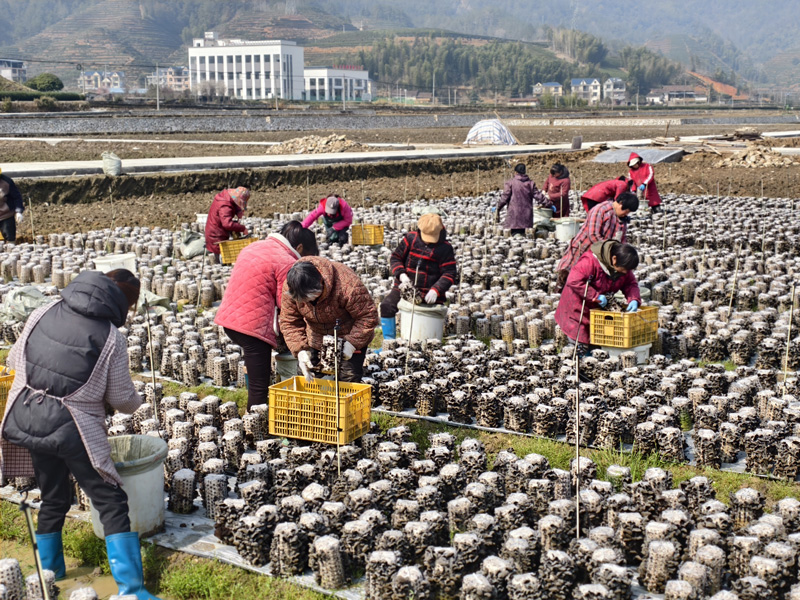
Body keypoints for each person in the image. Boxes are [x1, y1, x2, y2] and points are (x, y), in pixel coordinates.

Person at [0, 269, 163, 600]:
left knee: (54, 494)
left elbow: (14, 358)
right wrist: (139, 401)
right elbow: (120, 398)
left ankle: (50, 571)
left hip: (29, 415)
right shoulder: (110, 337)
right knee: (110, 500)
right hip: (72, 425)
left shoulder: (43, 310)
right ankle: (132, 589)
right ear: (122, 303)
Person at [215, 221, 318, 408]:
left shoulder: (256, 246)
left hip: (230, 320)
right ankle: (256, 432)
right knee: (259, 387)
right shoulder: (287, 262)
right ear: (300, 248)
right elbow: (287, 306)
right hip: (252, 328)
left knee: (255, 365)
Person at [280, 257, 379, 383]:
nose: (308, 303)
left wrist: (352, 344)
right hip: (316, 337)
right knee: (307, 377)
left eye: (310, 298)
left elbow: (368, 315)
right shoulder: (291, 287)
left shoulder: (347, 284)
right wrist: (300, 350)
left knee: (348, 380)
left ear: (320, 282)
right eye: (302, 301)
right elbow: (289, 321)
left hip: (348, 334)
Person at [379, 213, 457, 340]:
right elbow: (395, 257)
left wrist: (436, 290)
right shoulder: (410, 238)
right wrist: (402, 275)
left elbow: (450, 273)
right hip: (405, 287)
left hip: (428, 293)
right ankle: (389, 342)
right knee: (386, 306)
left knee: (424, 323)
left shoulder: (445, 248)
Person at [555, 240, 642, 352]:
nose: (626, 272)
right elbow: (574, 281)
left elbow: (630, 284)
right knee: (579, 342)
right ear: (614, 259)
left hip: (596, 311)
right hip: (577, 308)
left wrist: (634, 299)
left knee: (596, 345)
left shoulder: (623, 268)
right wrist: (595, 296)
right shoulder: (590, 261)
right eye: (625, 269)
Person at [555, 192, 639, 292]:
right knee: (570, 277)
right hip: (584, 248)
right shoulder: (600, 210)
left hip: (602, 257)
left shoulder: (622, 221)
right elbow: (593, 235)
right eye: (626, 210)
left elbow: (621, 240)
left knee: (589, 283)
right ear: (620, 203)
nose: (626, 214)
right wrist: (607, 252)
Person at [496, 163, 552, 236]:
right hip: (526, 215)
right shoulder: (530, 183)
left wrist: (498, 208)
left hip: (514, 214)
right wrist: (548, 203)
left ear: (515, 172)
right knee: (523, 234)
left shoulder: (510, 183)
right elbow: (538, 196)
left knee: (515, 235)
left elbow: (505, 197)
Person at [205, 186, 250, 257]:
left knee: (222, 256)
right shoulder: (225, 205)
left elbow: (232, 204)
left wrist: (238, 211)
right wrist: (242, 228)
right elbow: (227, 224)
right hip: (216, 235)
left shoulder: (226, 197)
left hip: (216, 230)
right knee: (220, 257)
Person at [0, 169, 25, 243]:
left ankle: (11, 248)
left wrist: (19, 211)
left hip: (6, 215)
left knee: (9, 236)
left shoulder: (7, 182)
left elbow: (17, 197)